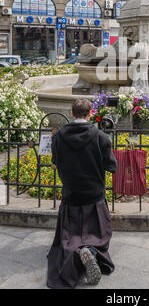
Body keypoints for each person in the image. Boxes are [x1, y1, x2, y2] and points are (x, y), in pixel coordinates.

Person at [47, 98, 118, 289]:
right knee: (100, 235)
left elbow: (55, 161)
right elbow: (112, 167)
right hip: (94, 196)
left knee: (68, 238)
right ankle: (90, 252)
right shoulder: (101, 137)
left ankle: (77, 252)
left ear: (71, 113)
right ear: (90, 114)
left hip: (71, 195)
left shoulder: (58, 137)